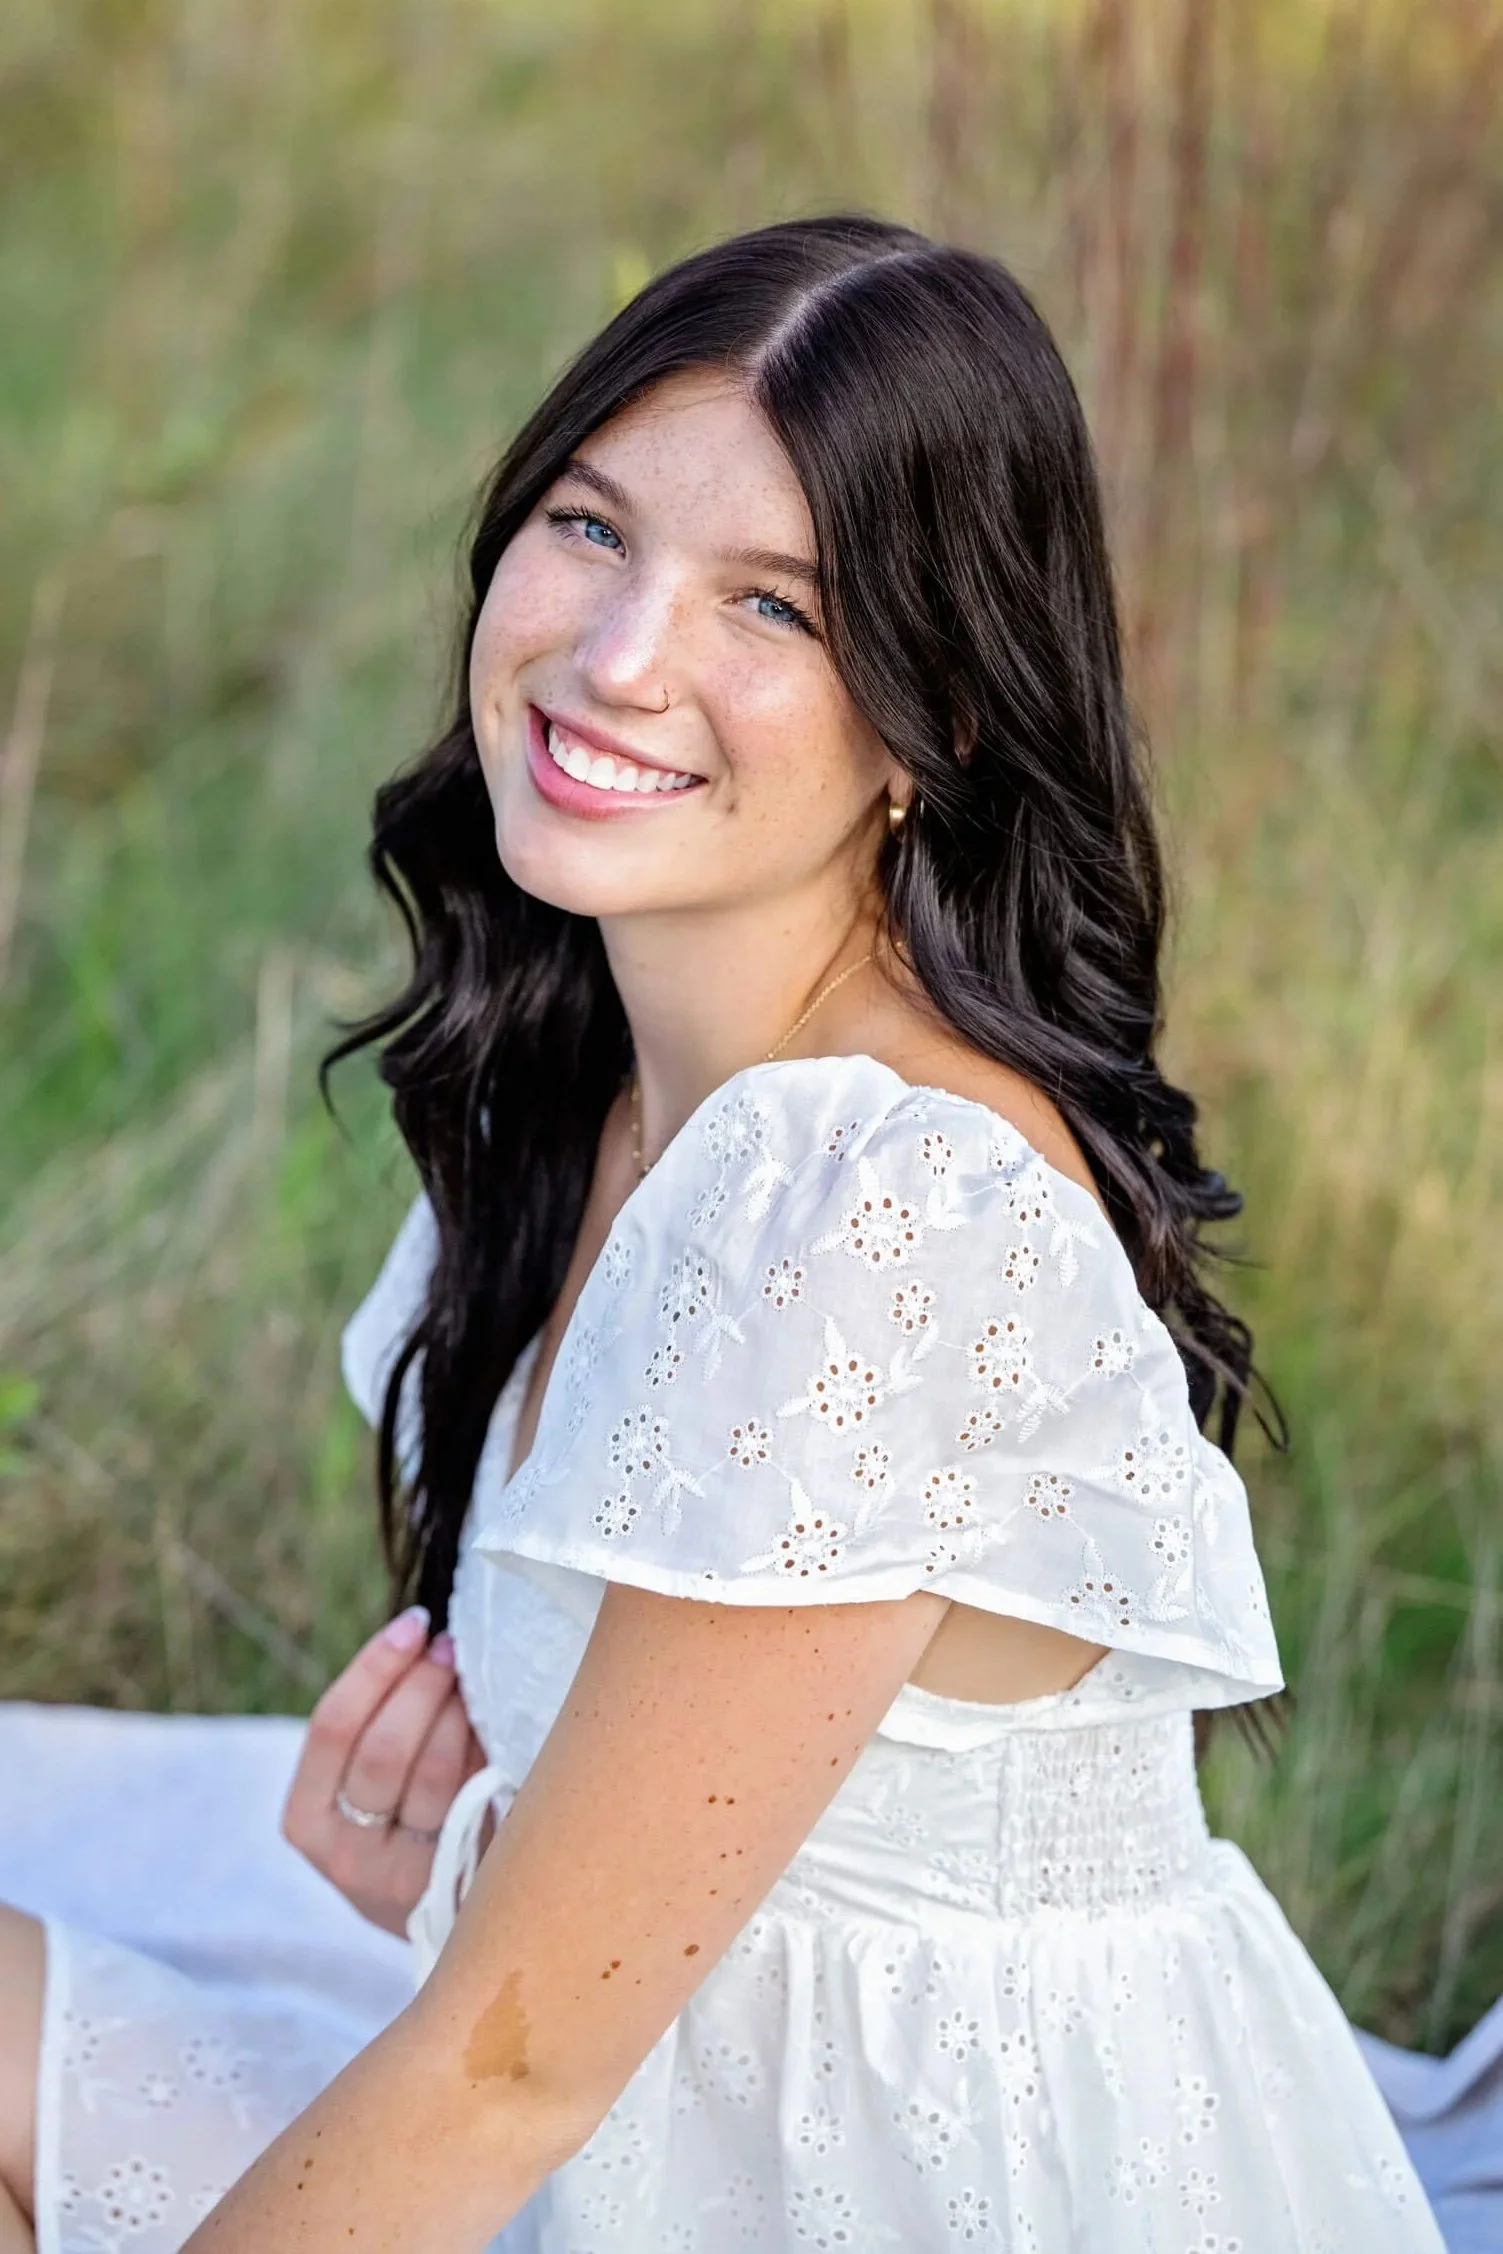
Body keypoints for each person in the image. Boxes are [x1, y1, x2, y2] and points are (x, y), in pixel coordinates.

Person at [0, 215, 1445, 2254]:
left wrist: (489, 1966)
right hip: (644, 2118)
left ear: (935, 714)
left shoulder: (870, 1211)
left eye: (771, 602)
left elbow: (508, 2071)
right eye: (592, 528)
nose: (617, 657)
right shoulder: (607, 1084)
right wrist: (462, 1873)